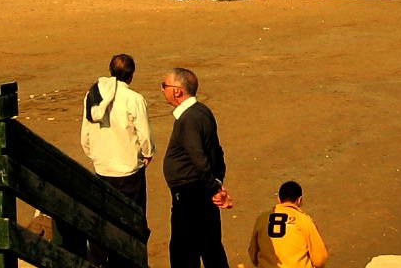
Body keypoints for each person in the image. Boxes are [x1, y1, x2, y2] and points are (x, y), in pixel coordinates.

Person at [162, 67, 231, 268]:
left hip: (190, 193)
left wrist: (213, 187)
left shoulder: (189, 118)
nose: (162, 90)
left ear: (177, 91)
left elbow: (198, 157)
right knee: (210, 246)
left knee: (184, 250)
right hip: (202, 189)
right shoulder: (203, 112)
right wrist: (217, 184)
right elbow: (217, 153)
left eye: (164, 86)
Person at [81, 54, 155, 218]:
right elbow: (144, 133)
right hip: (128, 170)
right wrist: (148, 153)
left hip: (102, 167)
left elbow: (85, 132)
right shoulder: (134, 99)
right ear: (131, 75)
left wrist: (94, 156)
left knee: (106, 217)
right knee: (134, 217)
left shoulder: (93, 95)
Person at [248, 180, 329, 268]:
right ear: (300, 200)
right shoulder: (304, 220)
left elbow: (253, 253)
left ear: (279, 199)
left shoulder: (262, 219)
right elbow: (320, 259)